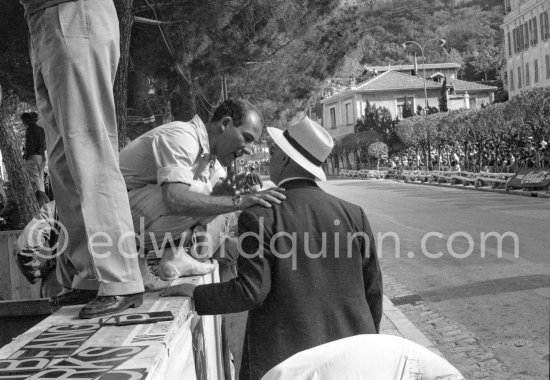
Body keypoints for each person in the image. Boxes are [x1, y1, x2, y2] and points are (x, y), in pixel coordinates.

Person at [161, 116, 383, 380]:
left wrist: (196, 294)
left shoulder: (259, 216)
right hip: (352, 359)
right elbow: (373, 289)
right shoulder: (353, 214)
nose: (270, 158)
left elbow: (251, 291)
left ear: (287, 160)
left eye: (275, 152)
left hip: (287, 363)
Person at [20, 0, 145, 319]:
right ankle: (90, 275)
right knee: (63, 162)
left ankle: (120, 278)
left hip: (72, 11)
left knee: (89, 150)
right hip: (41, 18)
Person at [21, 112, 46, 192]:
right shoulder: (41, 129)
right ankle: (45, 203)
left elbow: (29, 145)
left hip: (33, 157)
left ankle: (40, 203)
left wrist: (26, 156)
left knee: (34, 183)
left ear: (25, 121)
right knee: (41, 181)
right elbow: (44, 145)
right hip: (41, 156)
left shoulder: (29, 129)